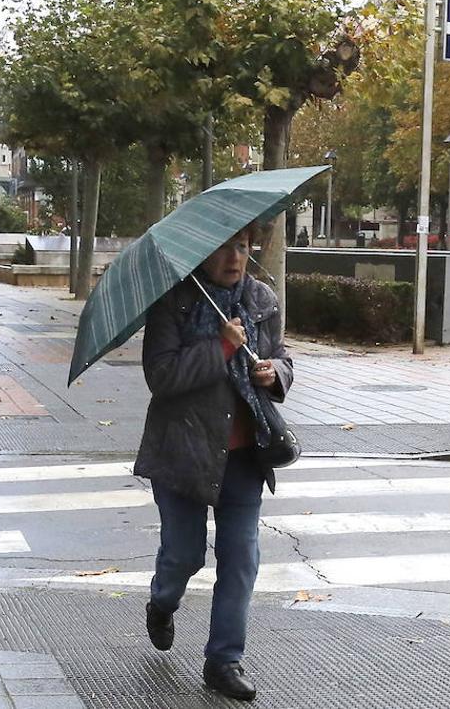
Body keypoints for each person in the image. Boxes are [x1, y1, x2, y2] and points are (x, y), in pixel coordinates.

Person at [135, 223, 293, 702]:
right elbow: (161, 377)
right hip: (182, 451)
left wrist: (275, 373)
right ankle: (162, 603)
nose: (234, 258)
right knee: (185, 556)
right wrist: (220, 347)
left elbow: (283, 355)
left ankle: (223, 661)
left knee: (242, 561)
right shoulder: (174, 303)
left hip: (245, 457)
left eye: (242, 247)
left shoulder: (261, 301)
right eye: (223, 247)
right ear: (202, 253)